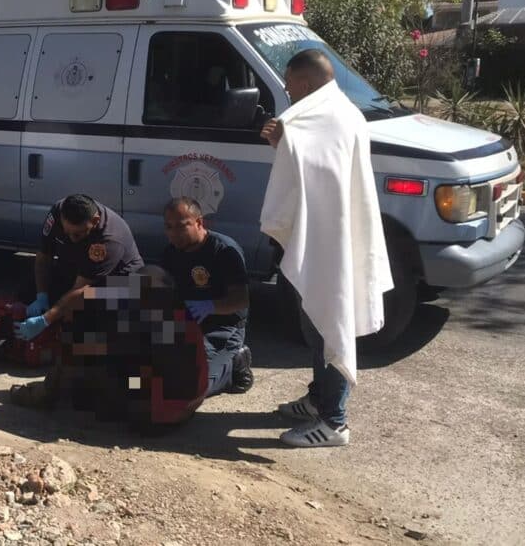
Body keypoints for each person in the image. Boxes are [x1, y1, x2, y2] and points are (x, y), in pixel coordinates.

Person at [260, 49, 392, 448]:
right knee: (315, 322)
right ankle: (320, 399)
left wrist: (285, 140)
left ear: (304, 82)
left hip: (328, 243)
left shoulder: (328, 116)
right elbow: (315, 173)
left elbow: (318, 168)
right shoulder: (338, 110)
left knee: (328, 322)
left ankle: (334, 422)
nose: (285, 89)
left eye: (288, 82)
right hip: (326, 236)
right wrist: (286, 145)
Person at [9, 194, 144, 407]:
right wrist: (41, 295)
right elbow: (43, 256)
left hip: (118, 287)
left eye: (79, 234)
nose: (72, 238)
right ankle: (29, 351)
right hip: (78, 271)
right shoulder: (59, 211)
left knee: (76, 324)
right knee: (27, 291)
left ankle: (49, 392)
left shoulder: (109, 239)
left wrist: (47, 318)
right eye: (68, 232)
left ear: (95, 221)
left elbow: (80, 291)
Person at [160, 197, 253, 398]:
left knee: (190, 385)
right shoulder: (172, 252)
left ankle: (233, 367)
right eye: (168, 227)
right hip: (185, 323)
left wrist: (209, 306)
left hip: (222, 328)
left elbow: (241, 300)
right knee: (148, 367)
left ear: (199, 222)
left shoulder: (224, 250)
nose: (173, 233)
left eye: (181, 226)